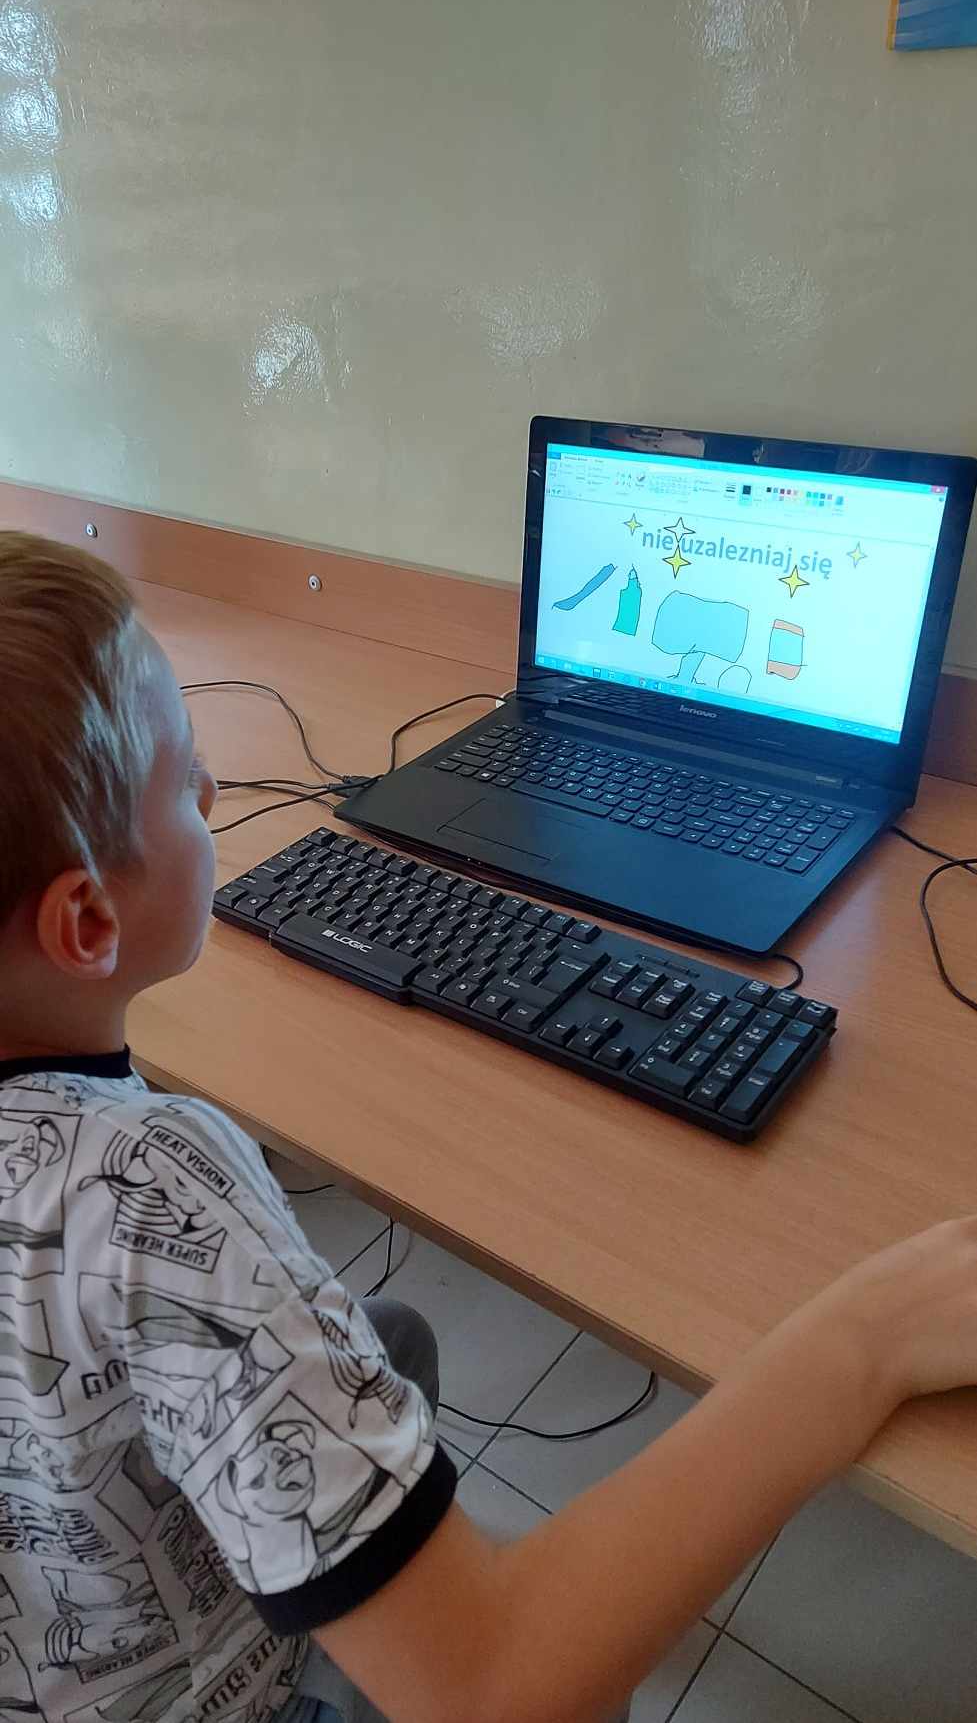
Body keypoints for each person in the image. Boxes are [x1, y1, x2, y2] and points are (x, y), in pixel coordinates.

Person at [1, 531, 976, 1723]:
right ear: (86, 924)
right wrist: (866, 1336)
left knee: (388, 1337)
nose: (213, 794)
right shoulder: (154, 1186)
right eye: (186, 776)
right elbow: (500, 1688)